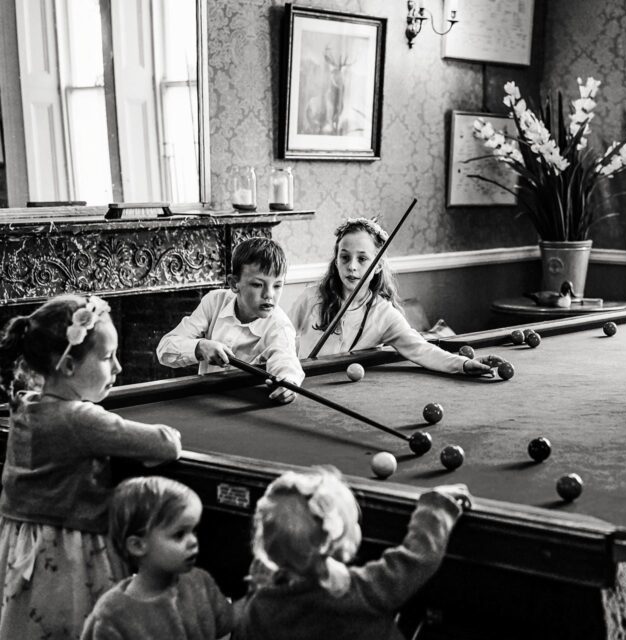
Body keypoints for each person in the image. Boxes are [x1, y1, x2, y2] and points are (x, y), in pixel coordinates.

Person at [0, 294, 183, 640]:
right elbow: (166, 443)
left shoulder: (24, 405)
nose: (118, 368)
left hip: (21, 551)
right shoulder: (80, 419)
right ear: (68, 366)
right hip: (68, 557)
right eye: (107, 357)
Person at [233, 467, 470, 640]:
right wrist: (435, 507)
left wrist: (256, 589)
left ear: (265, 547)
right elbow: (419, 557)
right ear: (341, 541)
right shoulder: (365, 590)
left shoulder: (260, 608)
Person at [290, 217, 495, 374]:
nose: (351, 266)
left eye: (362, 259)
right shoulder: (311, 297)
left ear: (378, 266)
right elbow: (281, 335)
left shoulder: (384, 314)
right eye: (344, 257)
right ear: (336, 260)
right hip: (302, 383)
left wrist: (464, 364)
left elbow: (421, 350)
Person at [81, 476, 234, 640]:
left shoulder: (200, 582)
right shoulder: (111, 616)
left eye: (194, 531)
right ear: (137, 546)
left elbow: (227, 627)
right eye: (179, 534)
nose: (193, 541)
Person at [157, 237, 304, 403]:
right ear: (234, 284)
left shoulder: (280, 326)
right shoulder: (214, 302)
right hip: (204, 401)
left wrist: (288, 381)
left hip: (244, 405)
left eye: (277, 285)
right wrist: (200, 346)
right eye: (257, 284)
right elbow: (165, 349)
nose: (269, 294)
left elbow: (286, 360)